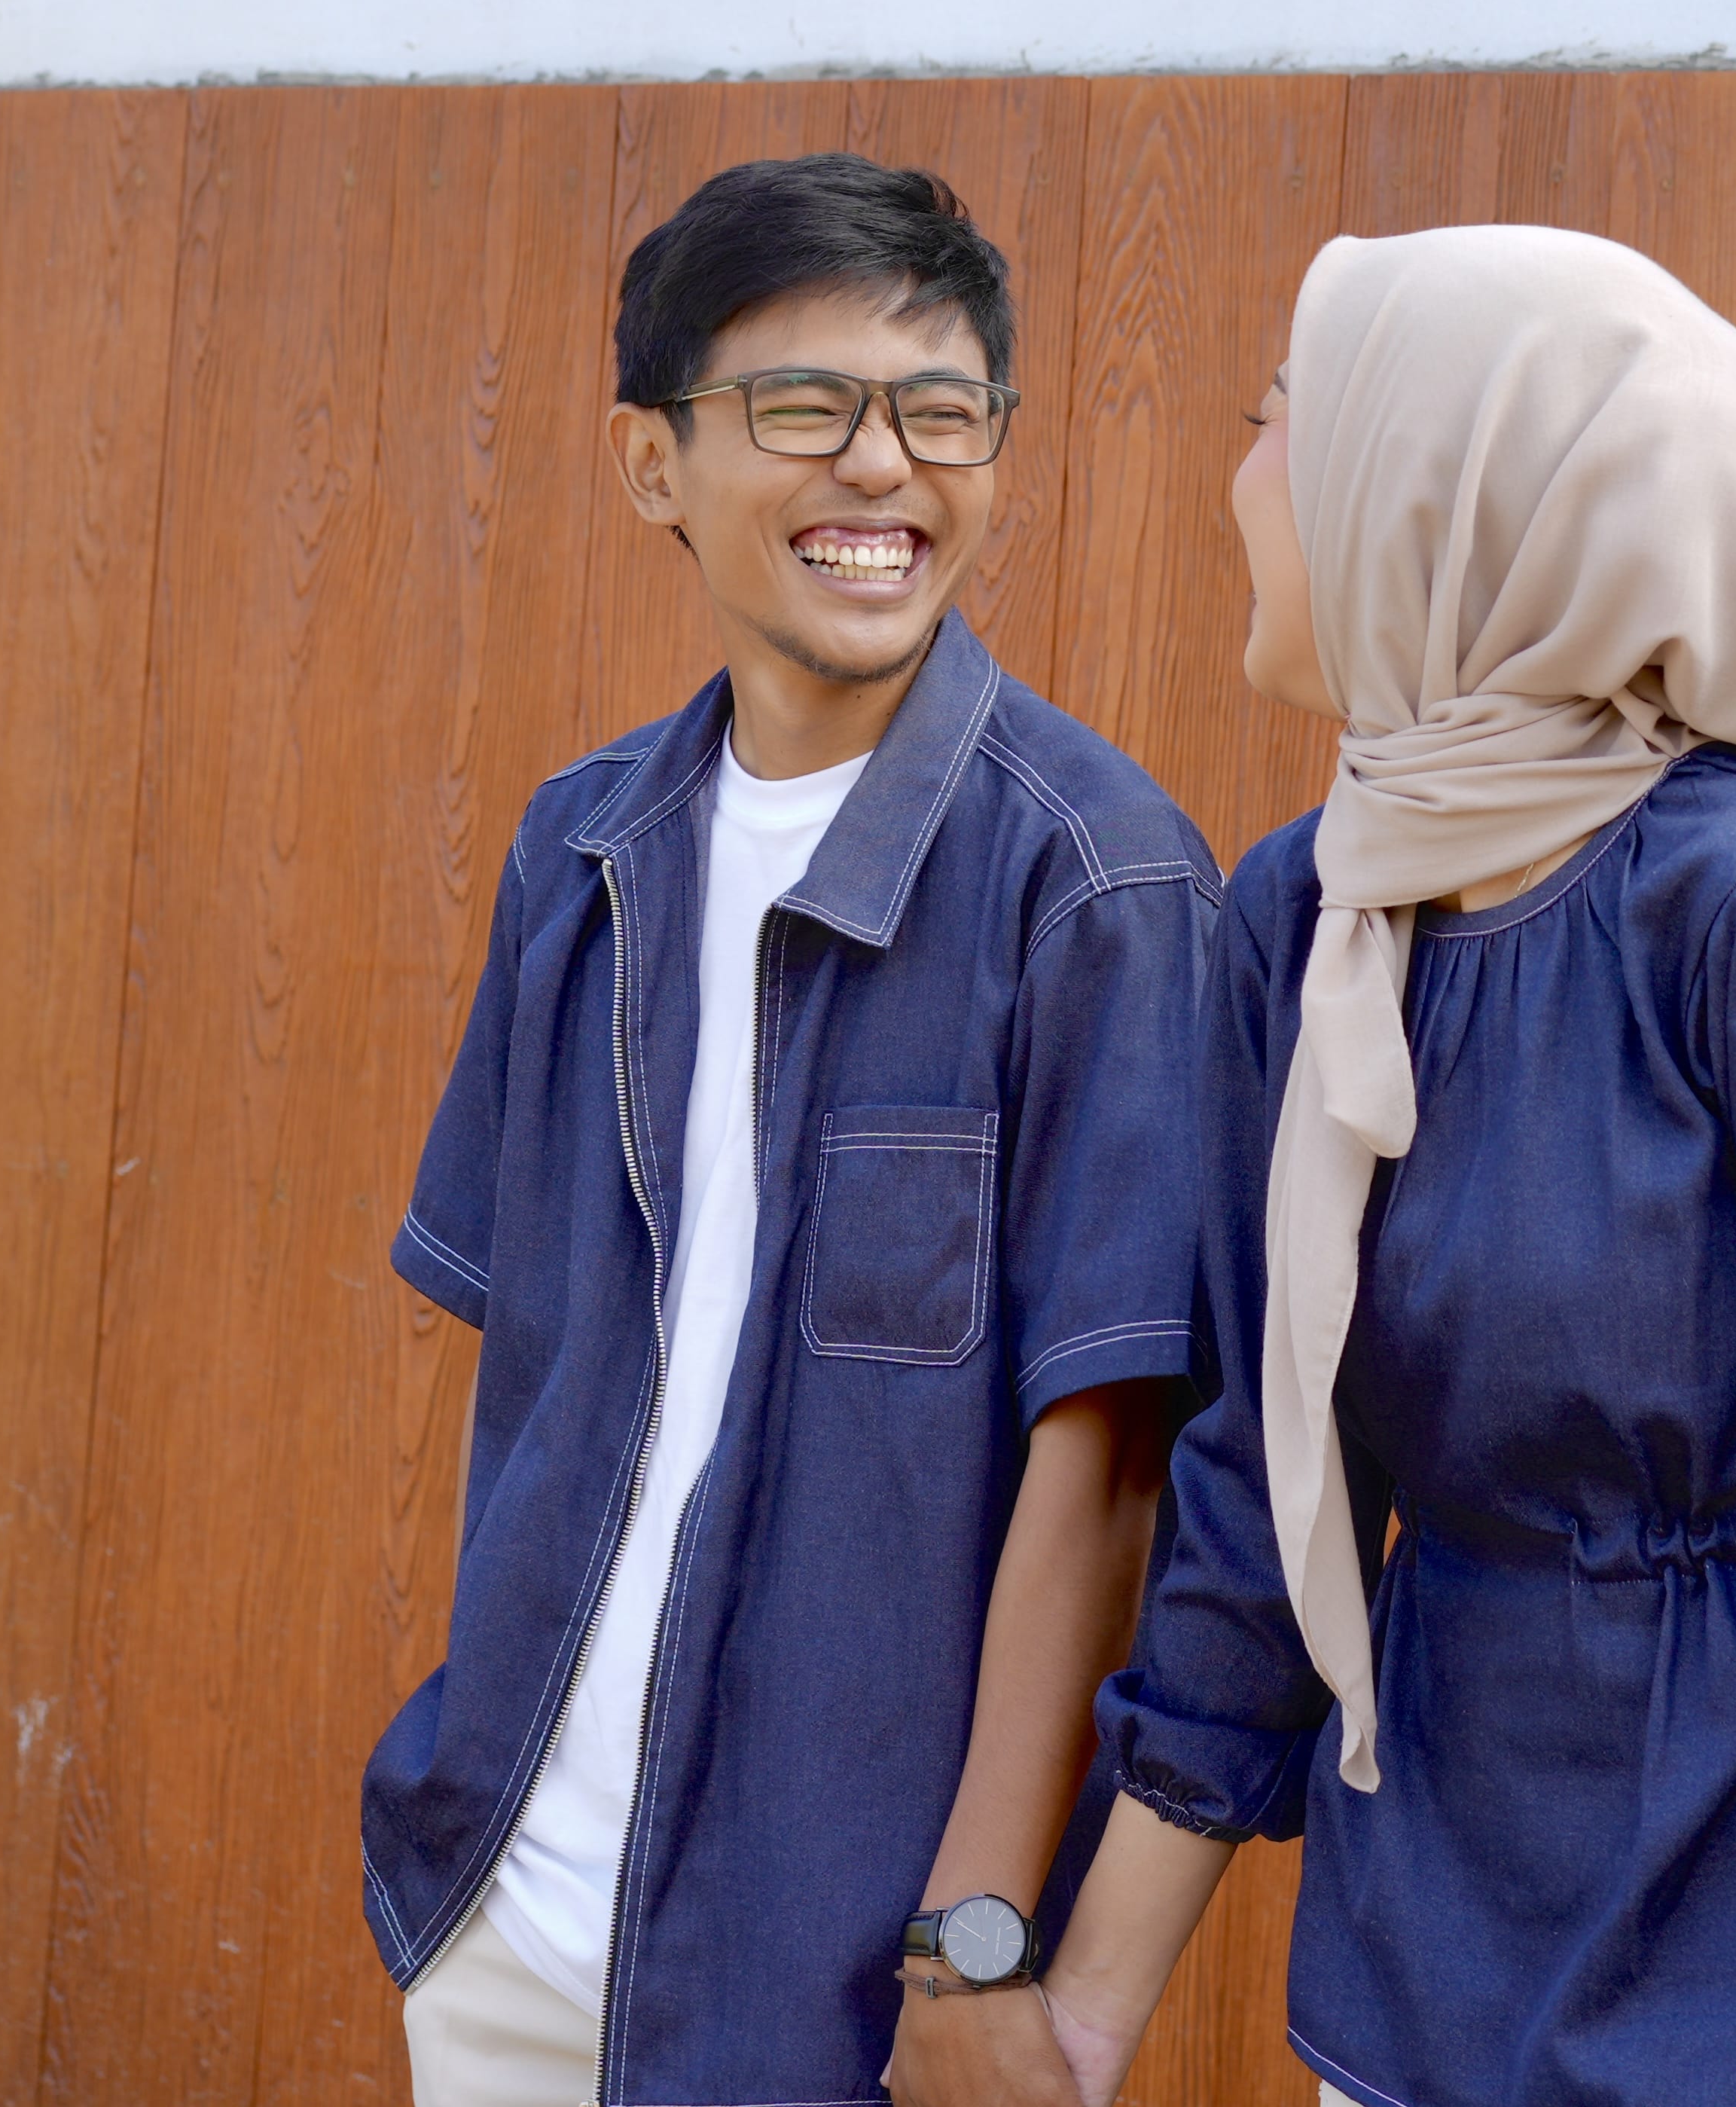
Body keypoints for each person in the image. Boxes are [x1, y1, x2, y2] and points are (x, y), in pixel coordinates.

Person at [1036, 223, 1736, 2107]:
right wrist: (1079, 2022)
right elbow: (1271, 1485)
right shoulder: (1309, 913)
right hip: (1423, 1958)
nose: (1239, 473)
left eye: (1278, 414)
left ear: (1440, 487)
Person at [363, 154, 1216, 2107]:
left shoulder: (1096, 881)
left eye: (940, 413)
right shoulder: (582, 847)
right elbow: (541, 1374)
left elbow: (1107, 1471)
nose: (883, 469)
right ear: (652, 460)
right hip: (510, 1919)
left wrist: (972, 1938)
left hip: (836, 1985)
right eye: (806, 407)